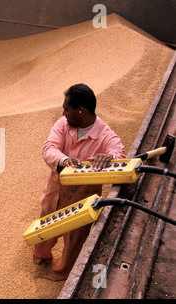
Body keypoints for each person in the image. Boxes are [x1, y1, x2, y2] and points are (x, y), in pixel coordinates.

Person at [32, 83, 125, 281]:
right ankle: (41, 254)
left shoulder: (105, 134)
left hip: (82, 198)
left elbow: (118, 152)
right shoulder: (62, 125)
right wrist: (64, 160)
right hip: (55, 190)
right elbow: (49, 148)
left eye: (67, 109)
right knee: (46, 223)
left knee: (74, 238)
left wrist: (110, 157)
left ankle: (61, 272)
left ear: (80, 111)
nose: (63, 113)